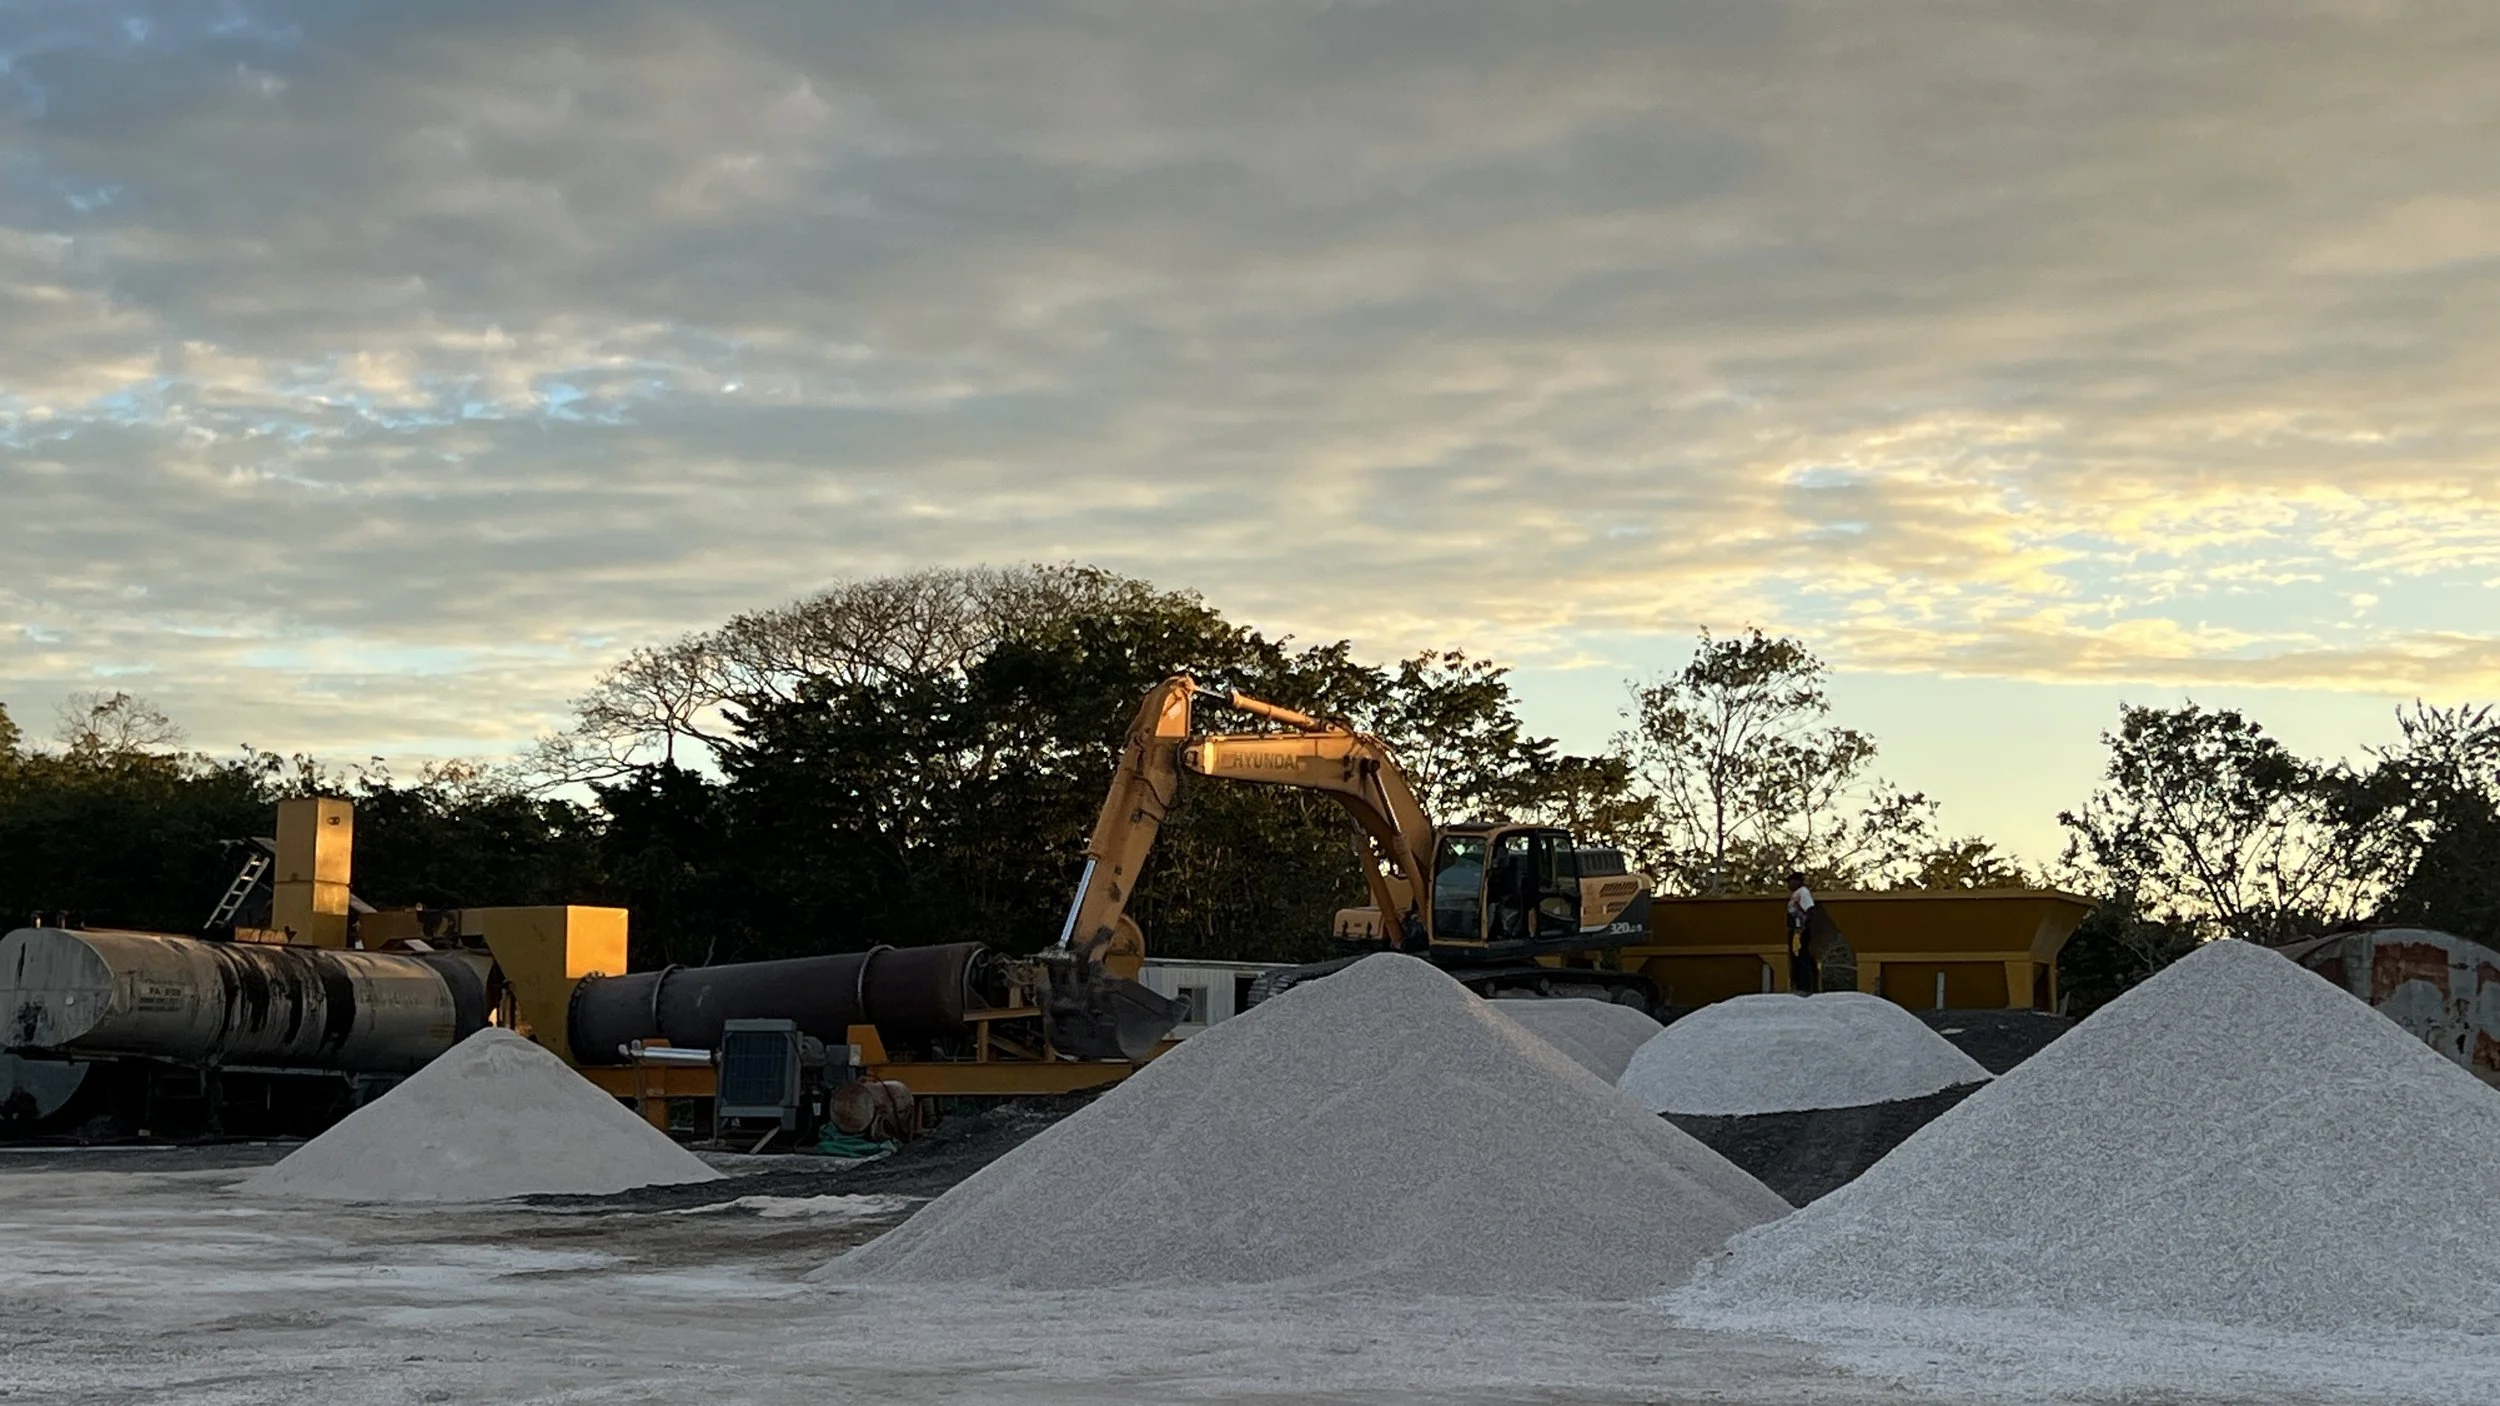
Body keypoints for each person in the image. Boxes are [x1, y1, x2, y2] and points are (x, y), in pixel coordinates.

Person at [1784, 870, 1820, 995]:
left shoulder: (1803, 893)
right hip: (1795, 930)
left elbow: (1810, 910)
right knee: (1797, 957)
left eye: (1791, 881)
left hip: (1800, 931)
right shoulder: (1795, 894)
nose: (1789, 884)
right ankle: (1800, 984)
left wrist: (1803, 927)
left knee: (1801, 957)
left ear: (1798, 881)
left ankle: (1804, 986)